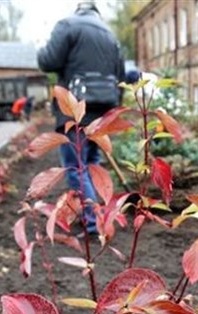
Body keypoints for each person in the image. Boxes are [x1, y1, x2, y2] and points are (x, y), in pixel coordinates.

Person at [37, 1, 124, 234]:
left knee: (77, 166)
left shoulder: (67, 26)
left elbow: (48, 61)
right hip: (104, 109)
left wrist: (40, 50)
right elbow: (121, 76)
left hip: (75, 109)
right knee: (92, 165)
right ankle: (98, 216)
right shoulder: (110, 35)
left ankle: (93, 222)